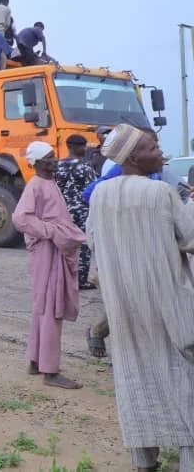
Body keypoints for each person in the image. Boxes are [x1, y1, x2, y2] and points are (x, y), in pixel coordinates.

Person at [86, 125, 194, 471]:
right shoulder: (160, 193)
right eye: (153, 147)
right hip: (168, 308)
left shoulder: (100, 196)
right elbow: (190, 239)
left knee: (135, 380)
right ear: (132, 157)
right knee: (182, 381)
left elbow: (93, 244)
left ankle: (143, 461)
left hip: (124, 307)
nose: (160, 153)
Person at [12, 142, 86, 389]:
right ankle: (50, 371)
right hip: (47, 251)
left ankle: (36, 360)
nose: (55, 161)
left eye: (54, 157)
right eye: (50, 158)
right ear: (38, 162)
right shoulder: (36, 185)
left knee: (42, 306)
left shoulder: (48, 182)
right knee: (51, 306)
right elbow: (20, 218)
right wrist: (50, 231)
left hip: (52, 250)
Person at [55, 135, 98, 289]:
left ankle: (62, 277)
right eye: (83, 146)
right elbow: (93, 190)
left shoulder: (58, 166)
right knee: (83, 245)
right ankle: (80, 279)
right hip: (81, 211)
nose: (85, 149)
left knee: (64, 244)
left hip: (61, 211)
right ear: (75, 147)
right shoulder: (85, 168)